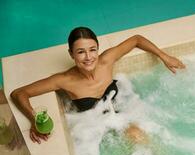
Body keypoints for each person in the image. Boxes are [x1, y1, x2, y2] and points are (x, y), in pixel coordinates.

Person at [10, 27, 185, 144]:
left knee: (139, 136)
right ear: (71, 54)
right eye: (80, 52)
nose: (88, 57)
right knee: (137, 138)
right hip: (97, 128)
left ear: (98, 49)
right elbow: (19, 93)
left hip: (126, 108)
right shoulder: (64, 80)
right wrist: (34, 120)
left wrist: (164, 56)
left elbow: (136, 39)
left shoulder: (106, 61)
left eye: (92, 49)